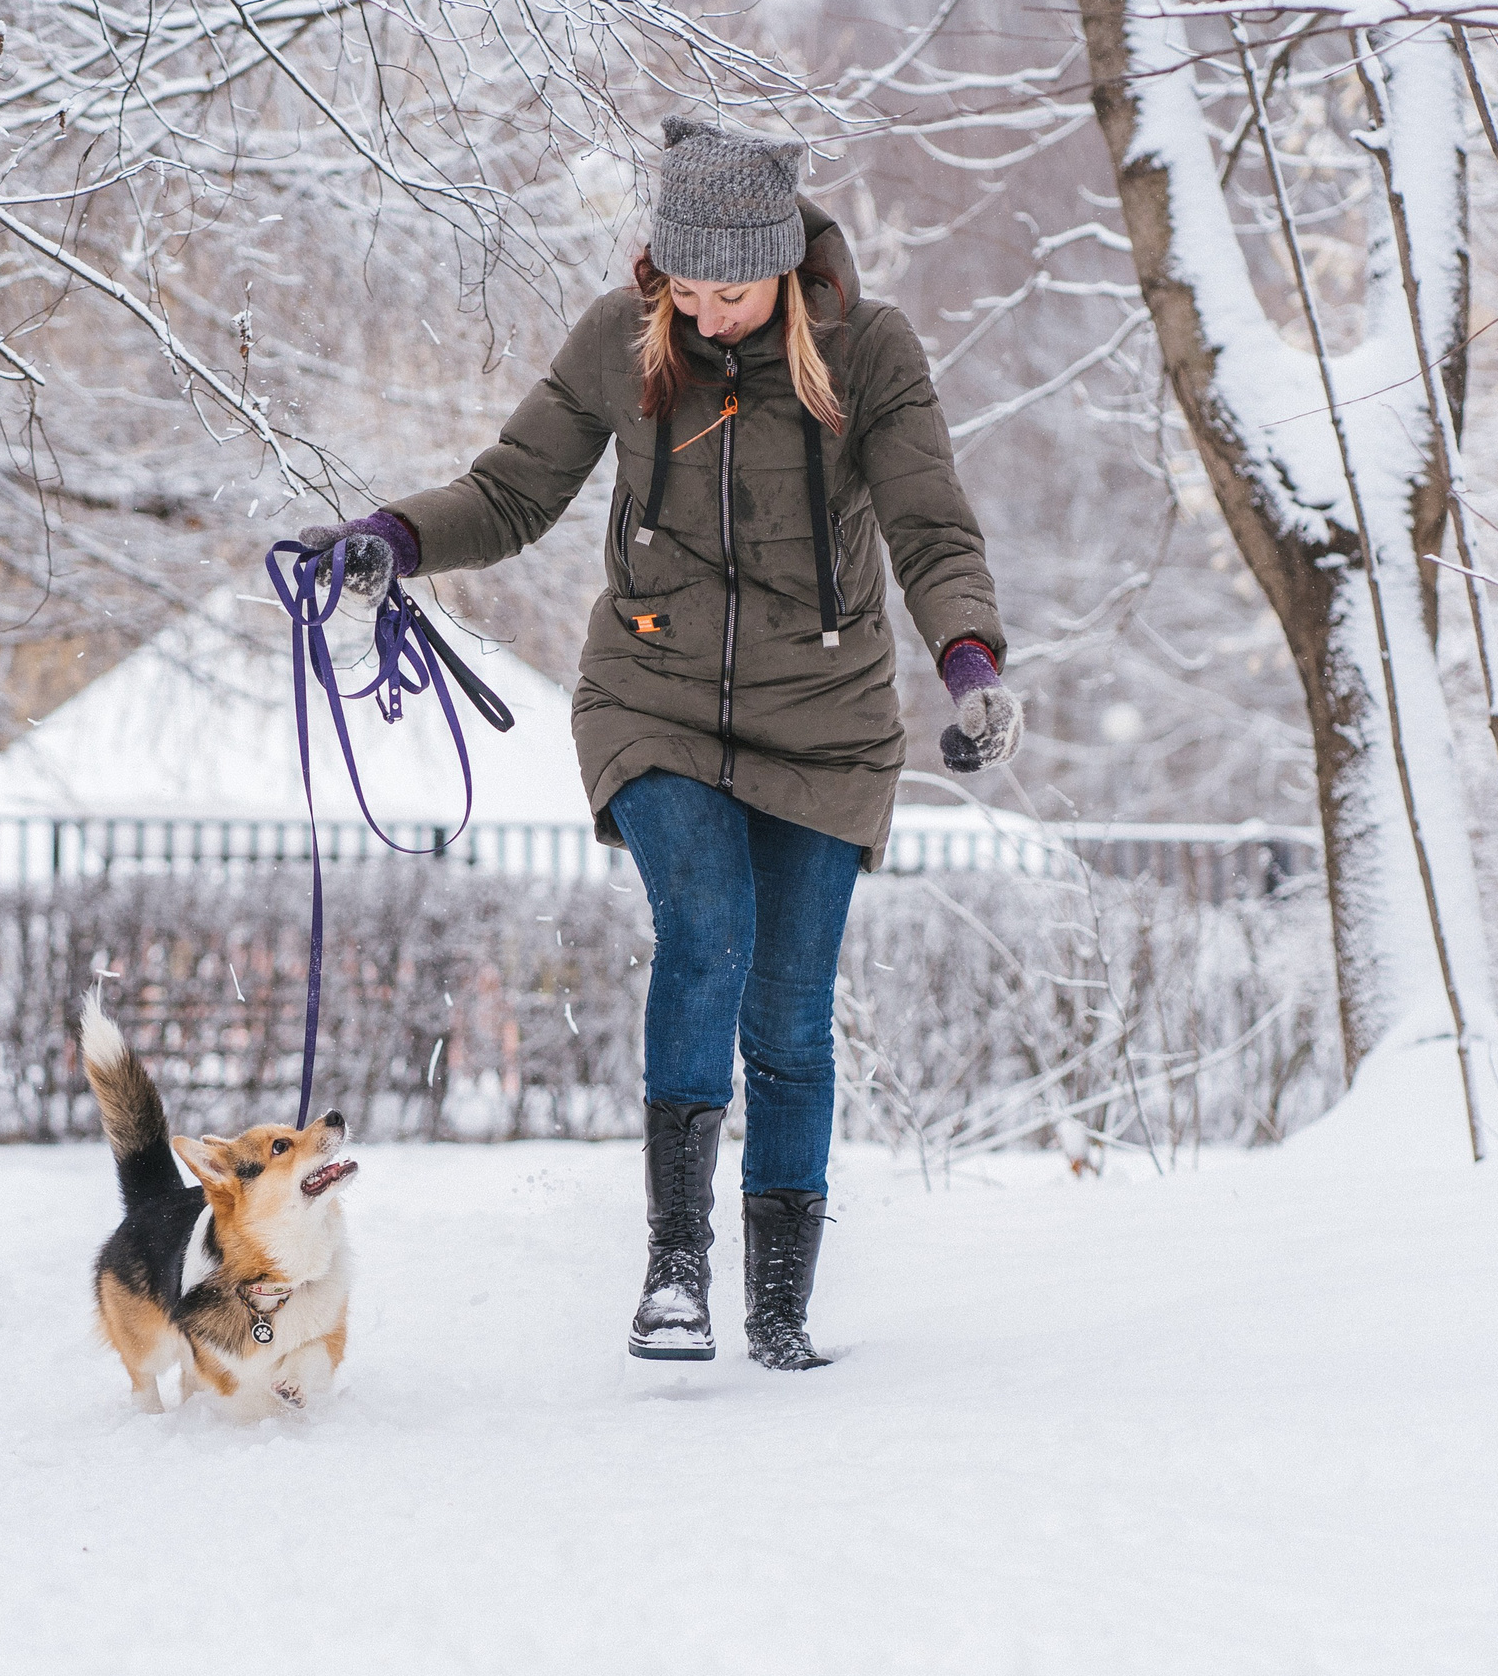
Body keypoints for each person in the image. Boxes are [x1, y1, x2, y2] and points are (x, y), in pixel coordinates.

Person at [301, 116, 1020, 1370]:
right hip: (651, 696)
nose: (704, 313)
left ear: (786, 269)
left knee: (790, 1017)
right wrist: (394, 538)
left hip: (828, 720)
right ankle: (676, 1271)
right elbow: (514, 489)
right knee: (708, 926)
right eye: (683, 287)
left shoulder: (870, 350)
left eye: (730, 291)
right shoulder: (621, 338)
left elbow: (930, 529)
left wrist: (969, 666)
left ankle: (781, 1313)